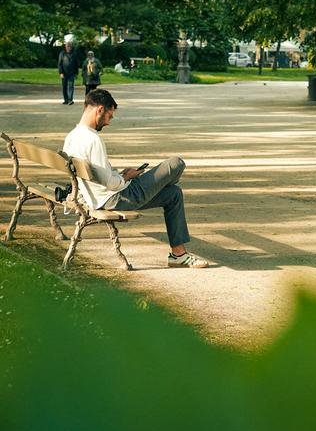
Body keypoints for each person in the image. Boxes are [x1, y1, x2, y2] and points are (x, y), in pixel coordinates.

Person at [63, 89, 208, 268]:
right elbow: (110, 184)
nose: (108, 122)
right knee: (175, 164)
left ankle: (178, 254)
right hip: (117, 198)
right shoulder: (93, 139)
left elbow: (102, 176)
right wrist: (127, 178)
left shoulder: (72, 136)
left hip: (96, 197)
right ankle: (159, 187)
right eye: (110, 115)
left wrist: (120, 175)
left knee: (173, 193)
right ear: (99, 110)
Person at [58, 41, 79, 105]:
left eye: (70, 46)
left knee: (70, 87)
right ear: (65, 47)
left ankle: (70, 100)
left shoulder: (74, 54)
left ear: (71, 47)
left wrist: (76, 73)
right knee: (64, 87)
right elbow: (60, 64)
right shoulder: (62, 53)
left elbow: (76, 64)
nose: (69, 48)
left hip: (72, 73)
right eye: (67, 46)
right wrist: (61, 72)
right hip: (64, 73)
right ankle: (66, 99)